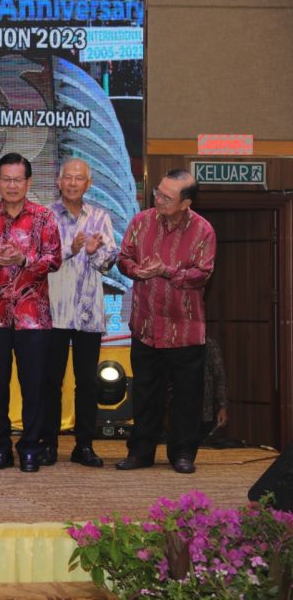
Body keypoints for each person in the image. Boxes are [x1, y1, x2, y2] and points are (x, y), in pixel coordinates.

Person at [115, 170, 216, 474]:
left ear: (186, 203)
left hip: (184, 328)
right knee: (146, 392)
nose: (158, 199)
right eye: (158, 193)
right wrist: (136, 270)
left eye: (167, 197)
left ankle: (182, 453)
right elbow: (123, 258)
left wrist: (166, 270)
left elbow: (202, 274)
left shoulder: (203, 231)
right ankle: (140, 452)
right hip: (145, 325)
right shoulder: (140, 221)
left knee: (187, 396)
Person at [0, 152, 61, 473]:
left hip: (33, 317)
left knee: (34, 386)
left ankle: (30, 449)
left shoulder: (44, 218)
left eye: (17, 180)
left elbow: (54, 260)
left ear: (28, 182)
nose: (11, 185)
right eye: (5, 179)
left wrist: (23, 260)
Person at [42, 158, 118, 468]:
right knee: (50, 381)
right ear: (59, 182)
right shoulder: (45, 216)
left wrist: (92, 252)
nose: (73, 183)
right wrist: (72, 249)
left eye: (79, 179)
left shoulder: (101, 217)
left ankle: (84, 445)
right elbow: (42, 258)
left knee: (87, 382)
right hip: (53, 313)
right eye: (68, 178)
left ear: (88, 184)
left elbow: (109, 261)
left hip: (88, 315)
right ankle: (47, 444)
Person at [202, 336, 228, 439]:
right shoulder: (176, 343)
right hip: (180, 410)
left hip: (205, 409)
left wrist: (223, 407)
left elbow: (220, 376)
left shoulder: (209, 344)